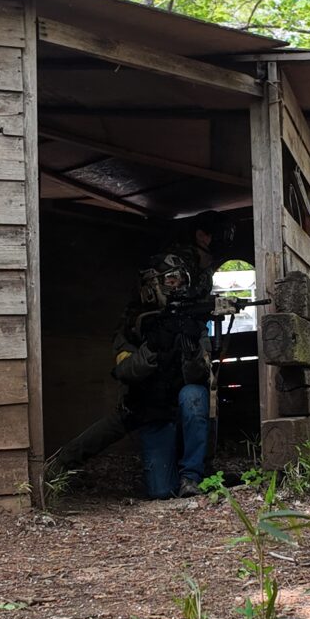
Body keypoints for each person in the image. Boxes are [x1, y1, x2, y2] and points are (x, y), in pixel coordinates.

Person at [49, 213, 233, 498]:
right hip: (146, 406)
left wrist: (192, 345)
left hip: (177, 401)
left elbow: (200, 376)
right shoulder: (136, 324)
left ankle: (193, 475)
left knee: (196, 397)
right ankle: (54, 468)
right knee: (160, 491)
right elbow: (125, 372)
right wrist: (154, 347)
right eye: (170, 280)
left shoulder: (189, 319)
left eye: (180, 279)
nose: (176, 286)